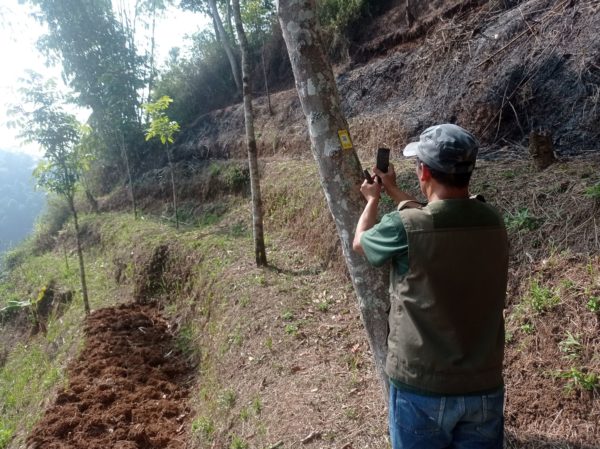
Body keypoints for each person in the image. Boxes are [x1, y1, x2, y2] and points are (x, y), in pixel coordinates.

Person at [353, 124, 509, 449]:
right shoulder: (492, 221)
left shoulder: (405, 228)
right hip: (483, 384)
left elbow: (360, 243)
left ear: (423, 171)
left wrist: (372, 200)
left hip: (420, 389)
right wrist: (395, 191)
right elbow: (435, 216)